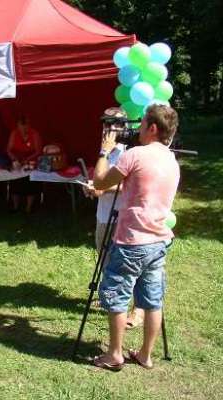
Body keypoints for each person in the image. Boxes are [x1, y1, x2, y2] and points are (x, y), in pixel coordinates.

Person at [92, 104, 180, 371]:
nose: (138, 129)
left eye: (142, 124)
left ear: (153, 128)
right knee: (152, 300)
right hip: (159, 239)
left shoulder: (135, 155)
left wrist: (104, 151)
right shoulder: (171, 159)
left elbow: (99, 182)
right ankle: (145, 354)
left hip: (132, 240)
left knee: (117, 296)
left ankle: (115, 354)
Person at [87, 107, 144, 329]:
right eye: (105, 124)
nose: (107, 129)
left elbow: (133, 185)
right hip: (104, 213)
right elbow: (101, 177)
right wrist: (92, 187)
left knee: (130, 263)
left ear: (123, 127)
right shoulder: (106, 149)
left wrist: (102, 189)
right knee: (104, 256)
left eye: (112, 125)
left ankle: (137, 309)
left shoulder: (131, 151)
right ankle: (110, 297)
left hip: (125, 215)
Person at [6, 115, 42, 214]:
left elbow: (38, 151)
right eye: (21, 126)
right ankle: (15, 207)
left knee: (30, 182)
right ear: (18, 125)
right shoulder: (14, 133)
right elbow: (9, 150)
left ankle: (28, 208)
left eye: (26, 125)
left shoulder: (34, 134)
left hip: (31, 160)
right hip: (17, 160)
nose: (24, 128)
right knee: (15, 181)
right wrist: (14, 159)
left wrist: (27, 159)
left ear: (29, 125)